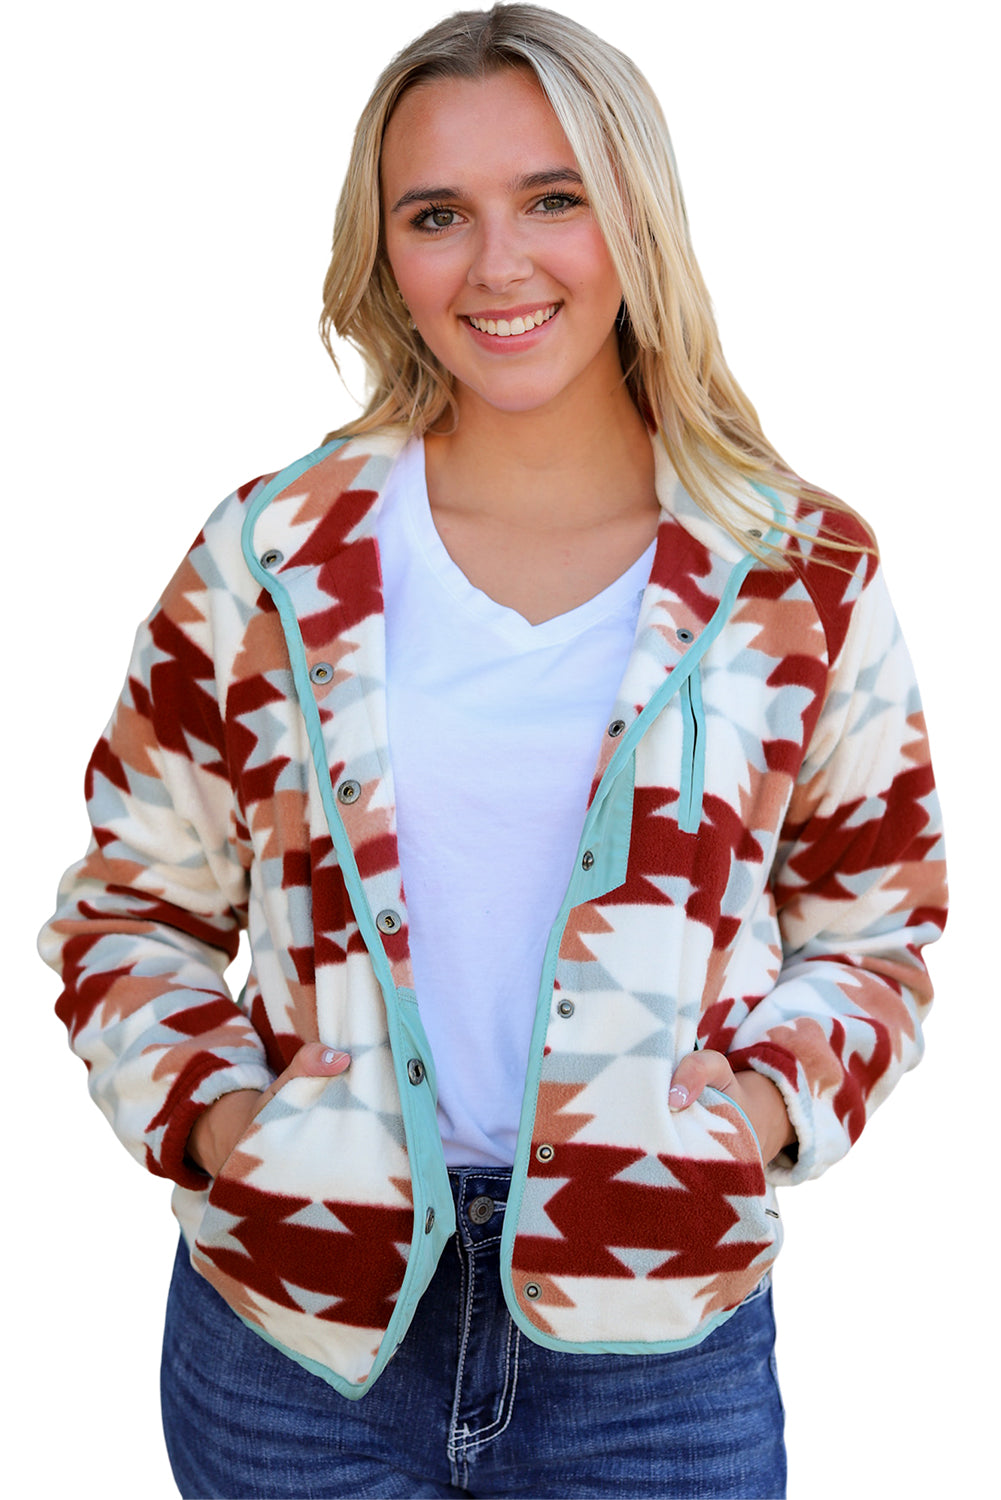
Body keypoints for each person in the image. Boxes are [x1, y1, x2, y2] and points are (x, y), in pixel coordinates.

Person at [39, 5, 946, 1496]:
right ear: (384, 251)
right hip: (296, 1342)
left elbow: (877, 928)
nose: (497, 264)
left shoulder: (794, 569)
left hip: (655, 1349)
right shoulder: (270, 558)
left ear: (636, 218)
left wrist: (754, 1115)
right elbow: (131, 905)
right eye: (437, 214)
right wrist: (219, 1125)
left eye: (552, 197)